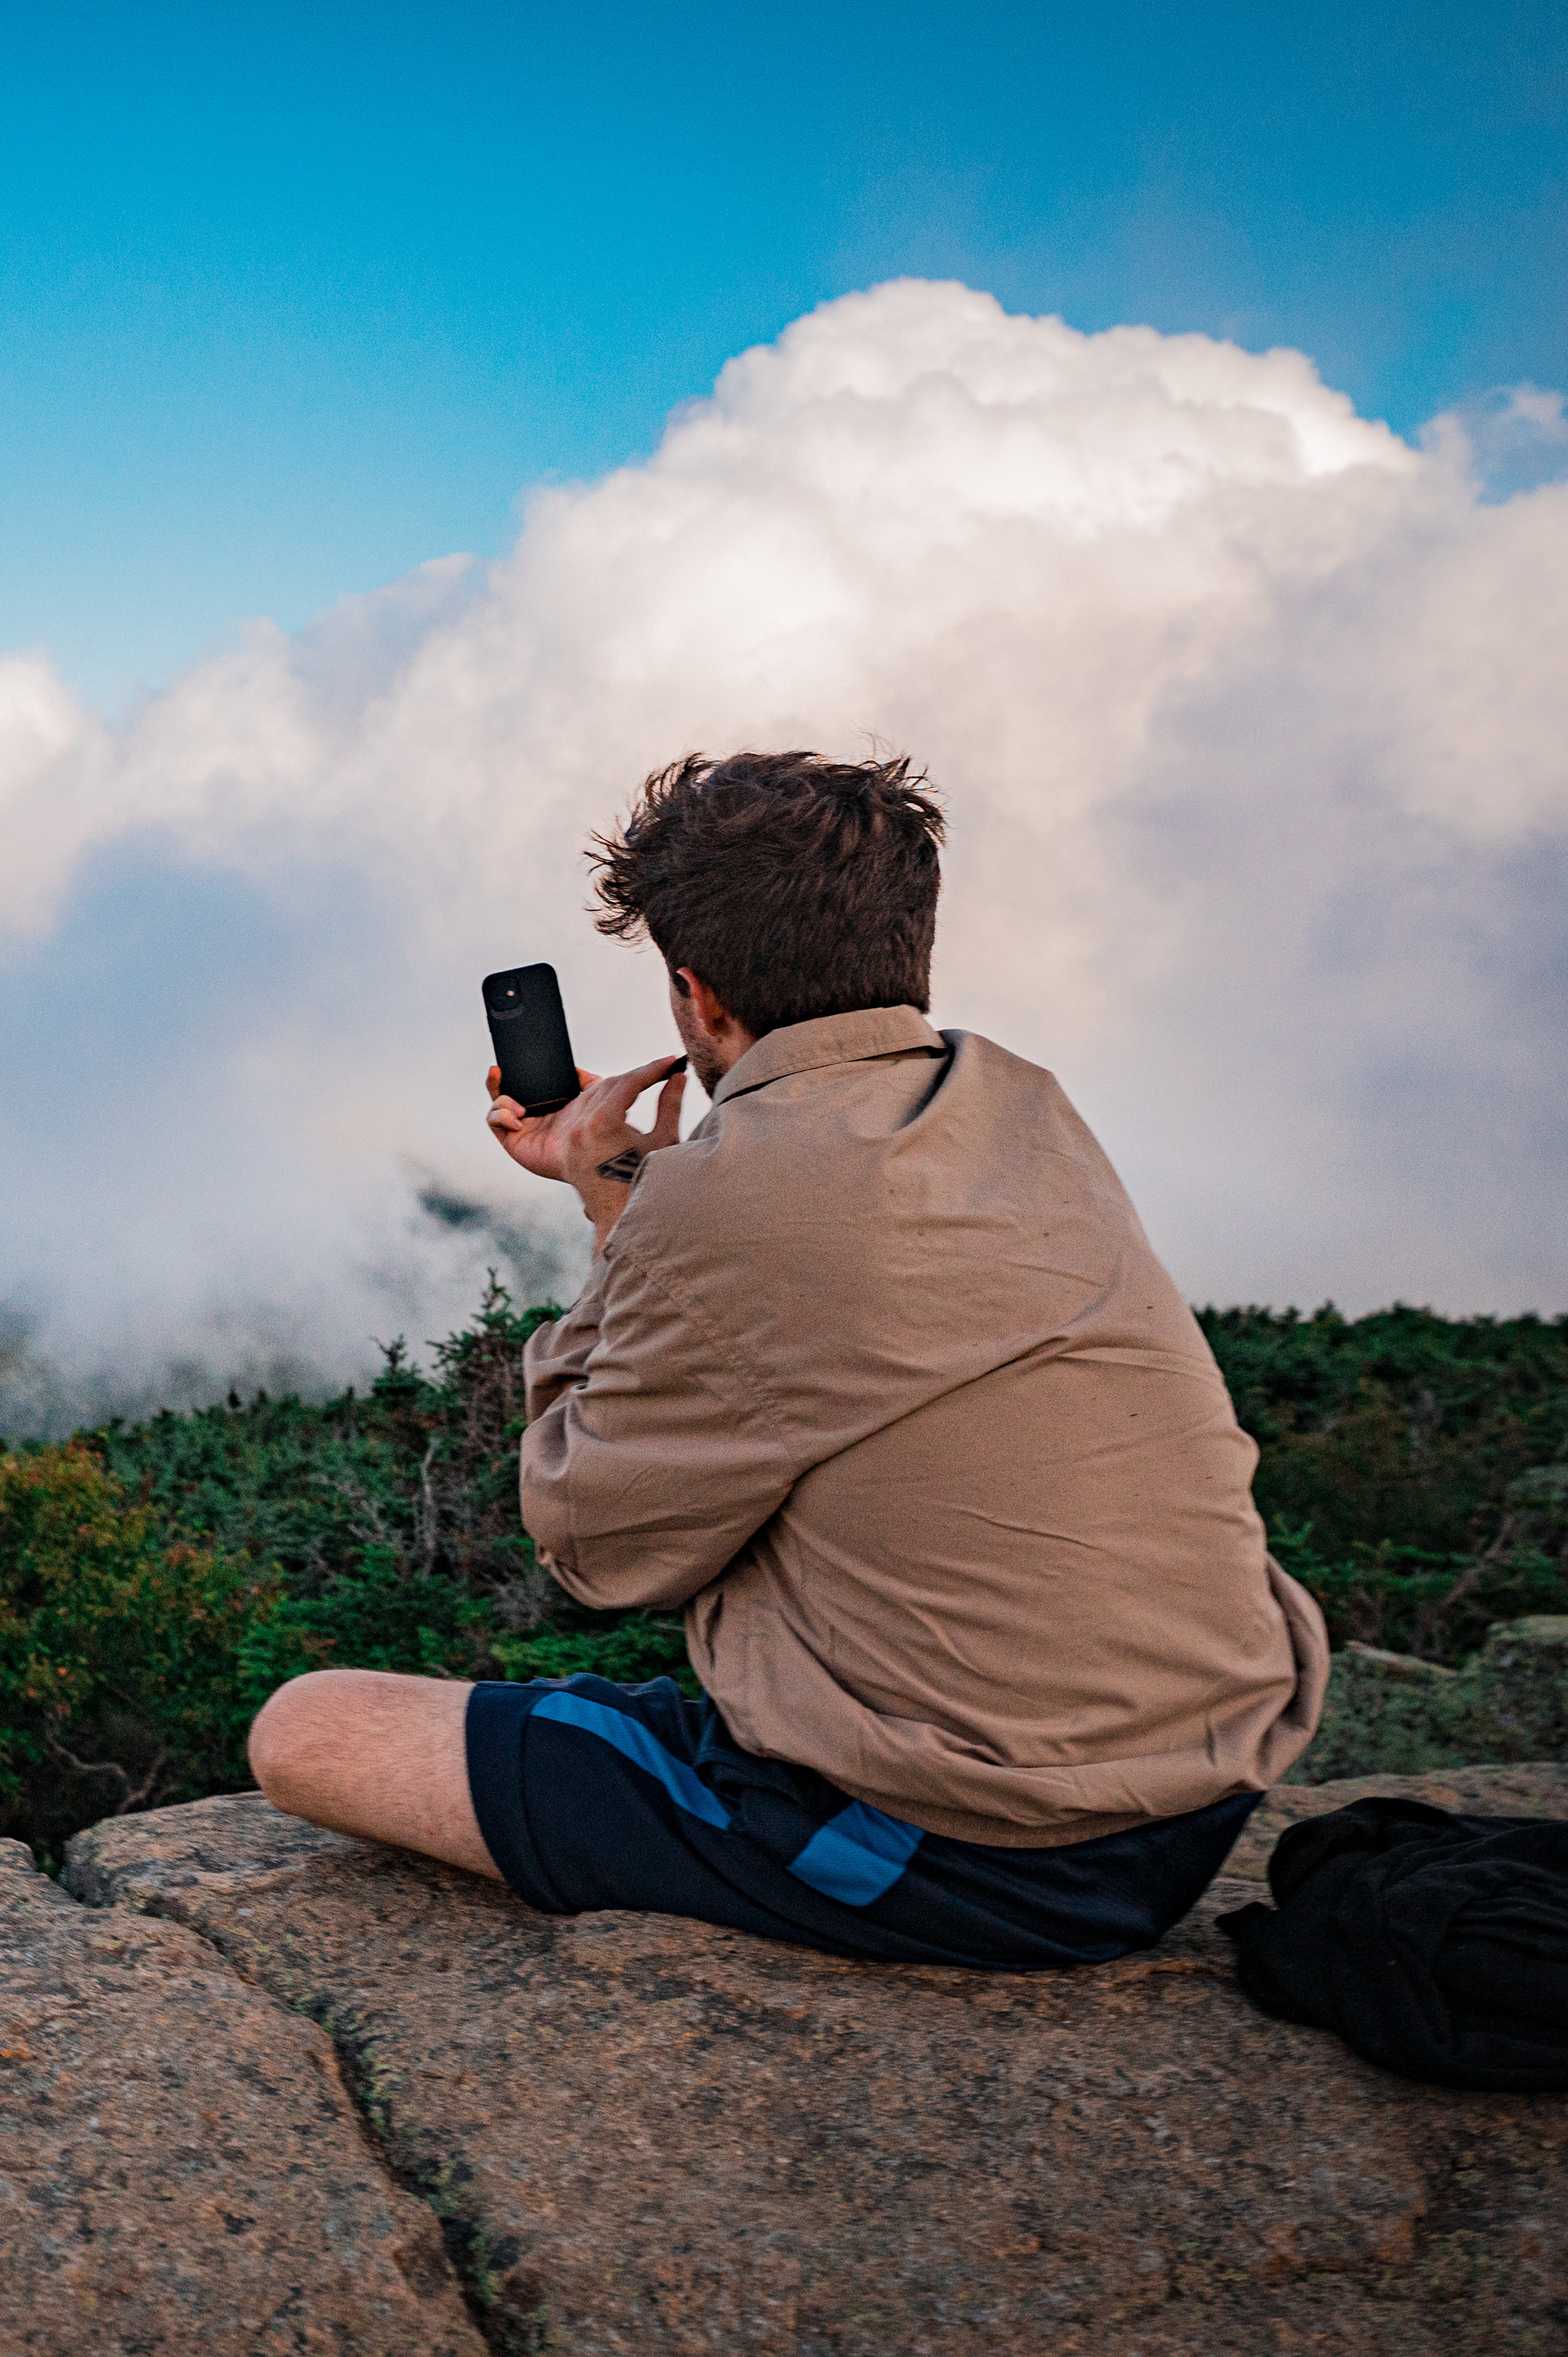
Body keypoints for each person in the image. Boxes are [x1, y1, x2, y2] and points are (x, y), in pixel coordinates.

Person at [246, 749, 1329, 1968]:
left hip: (992, 1850)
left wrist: (629, 1219)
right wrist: (635, 1205)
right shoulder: (1021, 1101)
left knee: (310, 1729)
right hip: (1209, 1779)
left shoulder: (726, 1200)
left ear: (699, 996)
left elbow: (594, 1548)